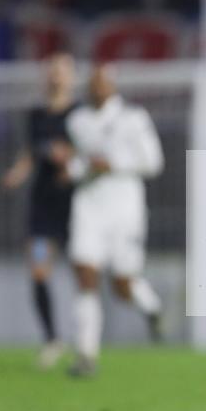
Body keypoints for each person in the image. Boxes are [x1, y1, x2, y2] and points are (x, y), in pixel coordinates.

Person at [51, 63, 165, 376]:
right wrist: (70, 169)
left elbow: (154, 162)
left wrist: (112, 163)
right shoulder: (77, 121)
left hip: (125, 210)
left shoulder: (133, 118)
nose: (97, 88)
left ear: (112, 86)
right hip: (88, 206)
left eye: (103, 83)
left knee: (122, 285)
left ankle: (152, 309)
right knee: (85, 275)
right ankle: (86, 355)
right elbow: (76, 163)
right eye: (93, 83)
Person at [1, 52, 78, 369]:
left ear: (71, 77)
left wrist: (70, 159)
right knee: (38, 269)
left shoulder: (80, 115)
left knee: (84, 273)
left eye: (61, 71)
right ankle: (52, 339)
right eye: (52, 70)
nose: (56, 76)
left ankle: (87, 339)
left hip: (75, 202)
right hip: (43, 204)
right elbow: (31, 152)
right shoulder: (35, 115)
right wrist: (18, 172)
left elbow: (88, 149)